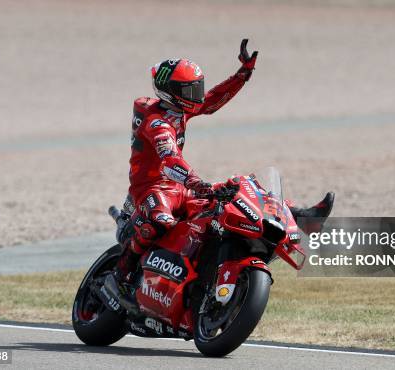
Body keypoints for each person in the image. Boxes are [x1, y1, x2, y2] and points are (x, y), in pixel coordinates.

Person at [111, 39, 334, 288]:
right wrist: (196, 182)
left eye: (196, 88)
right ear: (171, 92)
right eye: (189, 91)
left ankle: (303, 217)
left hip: (179, 188)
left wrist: (242, 74)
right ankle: (121, 275)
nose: (196, 96)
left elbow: (212, 100)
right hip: (151, 189)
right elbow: (169, 160)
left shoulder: (177, 109)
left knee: (238, 194)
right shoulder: (157, 123)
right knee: (159, 223)